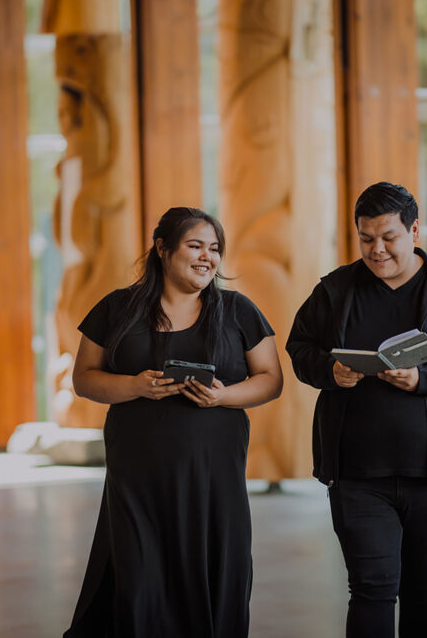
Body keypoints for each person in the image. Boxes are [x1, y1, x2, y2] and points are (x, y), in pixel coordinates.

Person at [285, 182, 427, 638]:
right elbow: (299, 346)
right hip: (358, 477)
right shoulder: (336, 289)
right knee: (370, 589)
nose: (377, 250)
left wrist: (426, 379)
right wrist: (330, 371)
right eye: (366, 239)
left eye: (388, 237)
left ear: (415, 231)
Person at [64, 207, 283, 638]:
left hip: (213, 479)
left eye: (215, 248)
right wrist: (135, 386)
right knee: (141, 579)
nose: (207, 257)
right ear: (162, 249)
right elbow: (84, 378)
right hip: (137, 480)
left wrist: (224, 395)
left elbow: (271, 380)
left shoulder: (239, 311)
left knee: (217, 572)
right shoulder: (116, 308)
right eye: (195, 246)